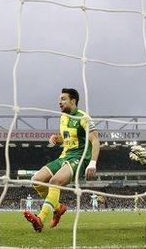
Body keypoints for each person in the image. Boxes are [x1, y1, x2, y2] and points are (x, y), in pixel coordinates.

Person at [24, 88, 100, 232]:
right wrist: (56, 139)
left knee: (54, 182)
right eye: (60, 99)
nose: (60, 102)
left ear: (73, 101)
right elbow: (65, 139)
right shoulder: (63, 117)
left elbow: (95, 140)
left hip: (79, 158)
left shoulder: (84, 118)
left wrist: (92, 163)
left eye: (63, 99)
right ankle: (58, 208)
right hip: (64, 156)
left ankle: (40, 218)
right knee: (36, 180)